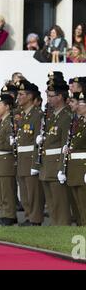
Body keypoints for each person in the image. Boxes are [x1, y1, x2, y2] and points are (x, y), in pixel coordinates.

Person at [37, 74, 72, 225]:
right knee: (52, 204)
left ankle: (62, 228)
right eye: (47, 95)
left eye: (51, 96)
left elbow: (66, 145)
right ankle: (55, 228)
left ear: (60, 97)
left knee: (60, 204)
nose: (49, 99)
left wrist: (62, 169)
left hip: (57, 164)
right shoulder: (51, 116)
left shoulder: (66, 116)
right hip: (47, 165)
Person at [16, 80, 45, 226]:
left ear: (29, 96)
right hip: (22, 158)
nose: (18, 97)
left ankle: (35, 219)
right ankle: (28, 216)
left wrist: (36, 162)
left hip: (31, 158)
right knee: (25, 191)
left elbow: (37, 142)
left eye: (21, 94)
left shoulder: (37, 114)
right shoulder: (23, 114)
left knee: (34, 191)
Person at [0, 94, 17, 226]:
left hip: (6, 158)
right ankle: (4, 214)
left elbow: (11, 144)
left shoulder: (11, 121)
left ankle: (9, 215)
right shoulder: (0, 121)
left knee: (7, 190)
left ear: (7, 106)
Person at [62, 92, 86, 225]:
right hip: (75, 167)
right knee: (78, 205)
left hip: (83, 166)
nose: (80, 106)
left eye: (82, 104)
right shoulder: (79, 121)